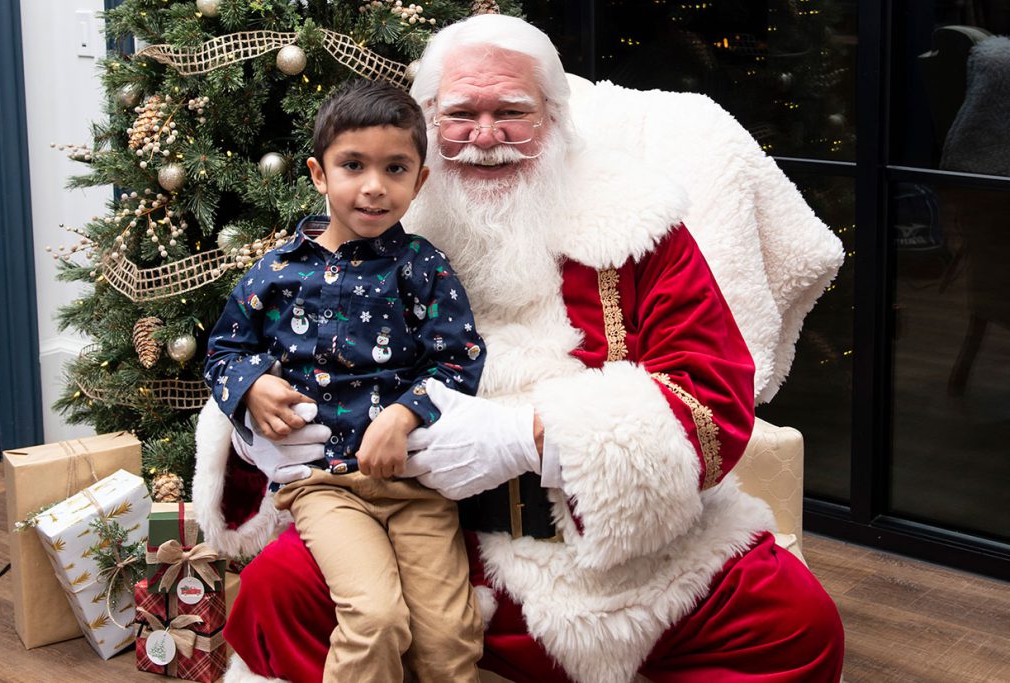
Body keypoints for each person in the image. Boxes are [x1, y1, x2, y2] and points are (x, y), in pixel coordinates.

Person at [193, 14, 846, 683]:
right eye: (460, 115)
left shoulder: (634, 225)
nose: (484, 138)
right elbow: (259, 346)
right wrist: (250, 426)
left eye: (512, 113)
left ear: (556, 120)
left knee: (795, 623)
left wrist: (529, 435)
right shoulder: (377, 216)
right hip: (413, 524)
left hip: (613, 552)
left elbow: (712, 399)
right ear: (426, 122)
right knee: (280, 593)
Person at [202, 79, 486, 682]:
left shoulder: (422, 267)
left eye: (396, 168)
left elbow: (459, 359)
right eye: (353, 165)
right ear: (318, 174)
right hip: (325, 486)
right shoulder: (276, 272)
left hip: (417, 485)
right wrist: (251, 385)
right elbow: (224, 349)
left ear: (420, 181)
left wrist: (403, 414)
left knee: (448, 636)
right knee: (376, 617)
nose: (374, 186)